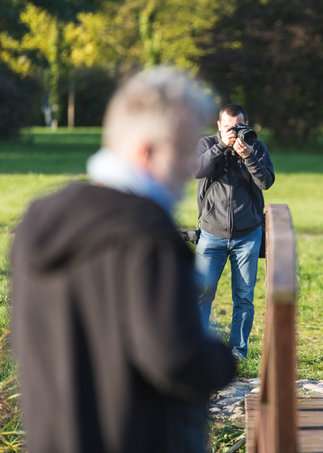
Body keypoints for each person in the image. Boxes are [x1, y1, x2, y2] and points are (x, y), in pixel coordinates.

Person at [10, 67, 237, 453]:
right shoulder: (146, 235)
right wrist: (221, 360)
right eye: (183, 152)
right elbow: (174, 356)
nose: (189, 168)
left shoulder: (39, 220)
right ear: (147, 152)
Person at [194, 104, 275, 359]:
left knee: (244, 298)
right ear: (219, 126)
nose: (233, 132)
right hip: (211, 233)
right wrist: (221, 147)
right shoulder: (207, 144)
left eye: (238, 127)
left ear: (247, 125)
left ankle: (238, 352)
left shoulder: (256, 146)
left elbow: (266, 182)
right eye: (228, 127)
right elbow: (196, 170)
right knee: (201, 295)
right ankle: (199, 350)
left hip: (247, 234)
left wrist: (248, 156)